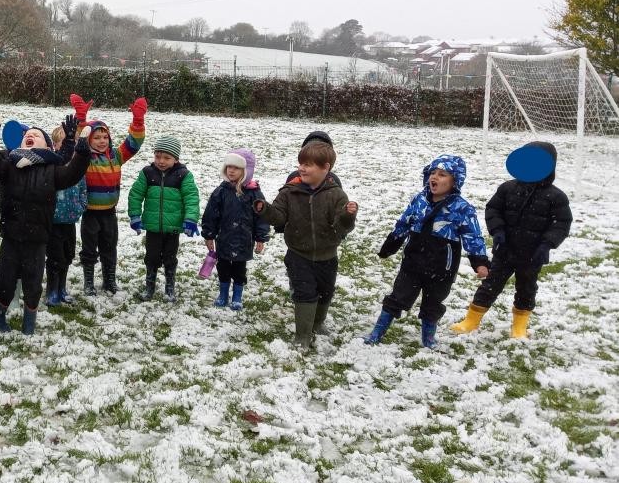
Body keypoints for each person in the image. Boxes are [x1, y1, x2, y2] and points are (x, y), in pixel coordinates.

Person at [0, 113, 90, 335]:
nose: (31, 135)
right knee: (5, 279)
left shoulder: (52, 170)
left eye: (37, 135)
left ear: (47, 146)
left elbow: (73, 173)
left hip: (38, 238)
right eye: (28, 134)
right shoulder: (9, 165)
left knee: (33, 281)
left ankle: (29, 322)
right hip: (11, 235)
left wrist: (82, 152)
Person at [364, 155, 490, 348]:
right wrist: (391, 244)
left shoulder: (462, 208)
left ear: (455, 181)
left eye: (442, 174)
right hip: (413, 262)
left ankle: (429, 339)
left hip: (442, 268)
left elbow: (472, 235)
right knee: (397, 297)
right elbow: (404, 223)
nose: (435, 177)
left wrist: (479, 261)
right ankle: (376, 333)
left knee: (433, 304)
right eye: (433, 173)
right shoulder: (419, 200)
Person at [450, 141, 572, 339]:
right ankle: (471, 320)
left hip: (532, 255)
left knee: (526, 289)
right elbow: (493, 209)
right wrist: (498, 231)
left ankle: (519, 326)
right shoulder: (508, 188)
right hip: (505, 250)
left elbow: (561, 223)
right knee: (490, 285)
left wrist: (547, 244)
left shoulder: (556, 197)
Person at [255, 136, 358, 350]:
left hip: (327, 256)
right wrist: (265, 210)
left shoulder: (336, 195)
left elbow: (343, 227)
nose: (301, 168)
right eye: (300, 163)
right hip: (298, 254)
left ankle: (318, 324)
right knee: (304, 293)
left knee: (325, 292)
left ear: (325, 168)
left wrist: (348, 216)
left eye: (308, 164)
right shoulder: (289, 191)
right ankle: (302, 335)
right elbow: (279, 217)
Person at [73, 93, 147, 295]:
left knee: (109, 247)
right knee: (89, 249)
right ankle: (89, 281)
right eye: (96, 138)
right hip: (90, 212)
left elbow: (134, 143)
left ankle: (109, 280)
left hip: (109, 213)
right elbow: (78, 141)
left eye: (105, 137)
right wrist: (81, 120)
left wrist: (138, 121)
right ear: (89, 140)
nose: (102, 141)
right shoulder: (84, 157)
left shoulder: (116, 155)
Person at [127, 134, 200, 302]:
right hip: (153, 227)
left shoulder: (183, 175)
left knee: (170, 258)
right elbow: (136, 194)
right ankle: (149, 286)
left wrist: (190, 219)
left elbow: (191, 198)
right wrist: (135, 215)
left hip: (172, 228)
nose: (161, 161)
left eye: (167, 158)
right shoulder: (147, 173)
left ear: (176, 158)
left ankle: (170, 287)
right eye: (158, 156)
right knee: (151, 257)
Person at [201, 149, 270, 311]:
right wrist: (209, 235)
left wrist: (261, 238)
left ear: (246, 171)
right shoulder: (221, 191)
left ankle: (237, 296)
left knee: (239, 270)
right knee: (223, 268)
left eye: (236, 168)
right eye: (229, 167)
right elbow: (211, 215)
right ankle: (223, 294)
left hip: (244, 239)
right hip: (224, 238)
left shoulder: (254, 193)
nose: (231, 171)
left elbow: (261, 217)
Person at [45, 126, 88, 307]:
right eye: (64, 142)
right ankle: (52, 290)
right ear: (55, 145)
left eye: (74, 142)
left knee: (68, 255)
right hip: (54, 222)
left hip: (70, 220)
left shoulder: (78, 168)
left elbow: (83, 190)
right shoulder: (52, 167)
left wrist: (80, 206)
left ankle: (62, 288)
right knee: (55, 258)